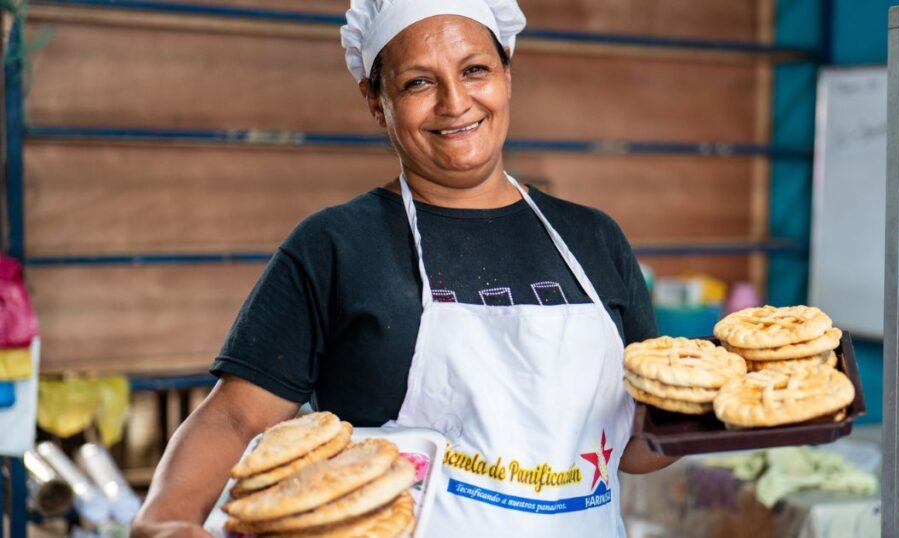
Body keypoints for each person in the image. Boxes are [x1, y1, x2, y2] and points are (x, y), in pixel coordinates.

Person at [132, 1, 676, 536]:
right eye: (419, 82)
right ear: (375, 99)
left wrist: (738, 412)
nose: (455, 102)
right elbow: (236, 417)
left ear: (507, 71)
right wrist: (166, 518)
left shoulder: (594, 240)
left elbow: (633, 443)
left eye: (475, 70)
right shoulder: (337, 246)